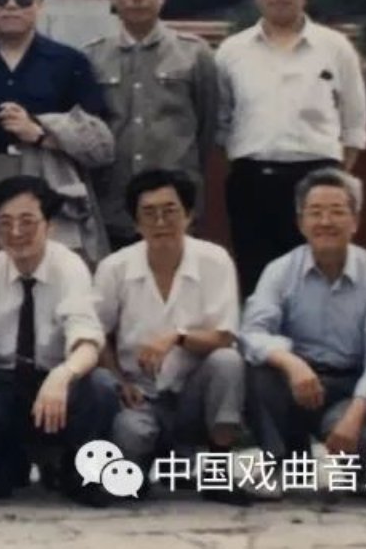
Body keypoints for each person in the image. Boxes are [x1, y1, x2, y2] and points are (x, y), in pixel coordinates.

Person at [0, 175, 119, 506]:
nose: (16, 232)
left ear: (49, 226)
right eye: (5, 223)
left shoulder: (69, 268)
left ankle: (77, 469)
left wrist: (62, 375)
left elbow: (87, 340)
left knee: (101, 386)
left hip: (56, 385)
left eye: (27, 221)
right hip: (4, 386)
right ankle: (2, 467)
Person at [216, 0, 366, 294]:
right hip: (252, 183)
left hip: (318, 180)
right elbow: (222, 123)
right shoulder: (231, 51)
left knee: (319, 280)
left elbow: (354, 127)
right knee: (257, 284)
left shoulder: (335, 47)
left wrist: (333, 180)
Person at [93, 169, 246, 498]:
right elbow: (97, 335)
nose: (160, 222)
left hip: (194, 392)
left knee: (227, 361)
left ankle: (217, 468)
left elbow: (224, 336)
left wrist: (178, 337)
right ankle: (153, 463)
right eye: (149, 214)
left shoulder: (215, 260)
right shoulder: (115, 268)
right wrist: (120, 381)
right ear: (136, 223)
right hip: (141, 395)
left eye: (170, 211)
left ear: (189, 215)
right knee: (130, 437)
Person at [240, 168, 366, 470]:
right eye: (315, 213)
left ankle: (356, 465)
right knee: (258, 371)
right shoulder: (279, 270)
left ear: (355, 221)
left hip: (352, 387)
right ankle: (286, 463)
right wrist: (292, 363)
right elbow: (252, 332)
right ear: (301, 223)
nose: (325, 222)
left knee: (358, 444)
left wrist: (354, 416)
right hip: (300, 381)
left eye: (337, 212)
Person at [0, 0, 112, 259]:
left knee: (56, 272)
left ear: (40, 2)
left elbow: (99, 138)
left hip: (51, 185)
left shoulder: (70, 62)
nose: (11, 5)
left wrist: (40, 133)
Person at [83, 0, 219, 250]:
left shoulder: (194, 54)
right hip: (114, 204)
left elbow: (206, 127)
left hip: (176, 203)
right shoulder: (93, 57)